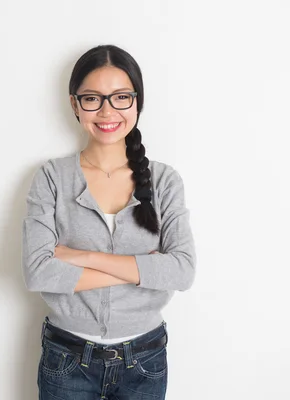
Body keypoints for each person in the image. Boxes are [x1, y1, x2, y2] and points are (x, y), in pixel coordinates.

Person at [21, 44, 196, 399]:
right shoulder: (52, 178)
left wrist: (79, 256)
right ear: (75, 104)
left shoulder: (165, 181)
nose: (107, 111)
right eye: (92, 98)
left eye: (121, 97)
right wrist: (144, 269)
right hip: (66, 359)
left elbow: (182, 271)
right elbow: (38, 272)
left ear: (137, 101)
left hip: (145, 361)